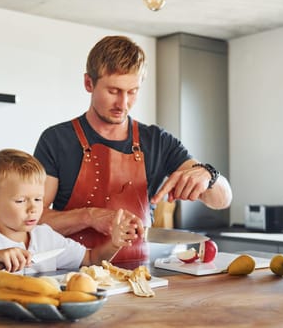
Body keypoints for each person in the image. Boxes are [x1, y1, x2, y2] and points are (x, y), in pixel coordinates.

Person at [34, 35, 233, 263]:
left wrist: (208, 175)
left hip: (139, 279)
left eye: (133, 91)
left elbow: (223, 199)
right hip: (73, 280)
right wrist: (89, 216)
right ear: (89, 83)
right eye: (113, 91)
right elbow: (32, 219)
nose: (123, 104)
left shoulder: (158, 141)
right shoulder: (56, 140)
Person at [0, 148, 137, 286]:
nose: (33, 209)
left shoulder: (45, 236)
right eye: (21, 201)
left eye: (38, 199)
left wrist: (115, 243)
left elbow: (93, 259)